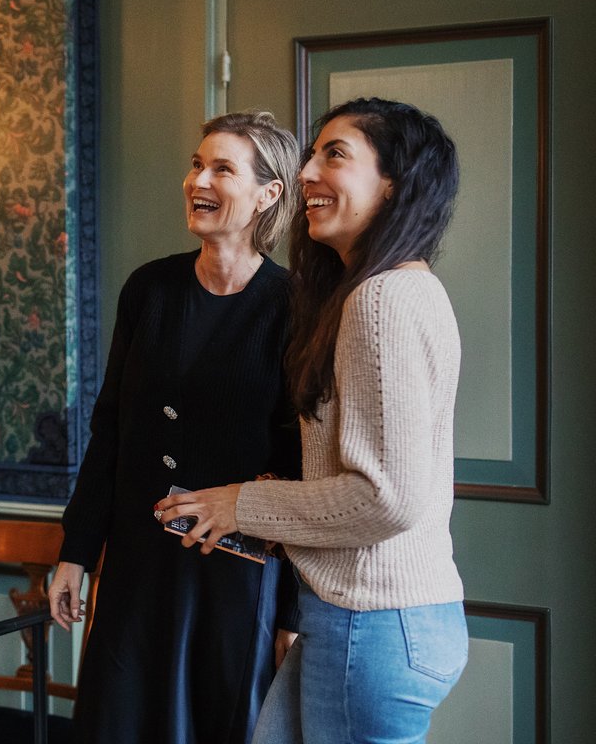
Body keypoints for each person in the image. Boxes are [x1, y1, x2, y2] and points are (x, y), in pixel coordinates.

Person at [154, 97, 467, 744]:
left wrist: (242, 505)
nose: (305, 172)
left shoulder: (381, 301)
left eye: (335, 154)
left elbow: (385, 497)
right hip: (370, 619)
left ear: (395, 183)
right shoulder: (402, 287)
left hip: (371, 623)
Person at [48, 111, 302, 744]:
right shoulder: (149, 290)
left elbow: (306, 465)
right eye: (196, 164)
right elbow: (110, 426)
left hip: (235, 572)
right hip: (137, 567)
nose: (199, 180)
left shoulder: (295, 307)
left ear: (268, 194)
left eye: (222, 168)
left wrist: (292, 611)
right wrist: (76, 552)